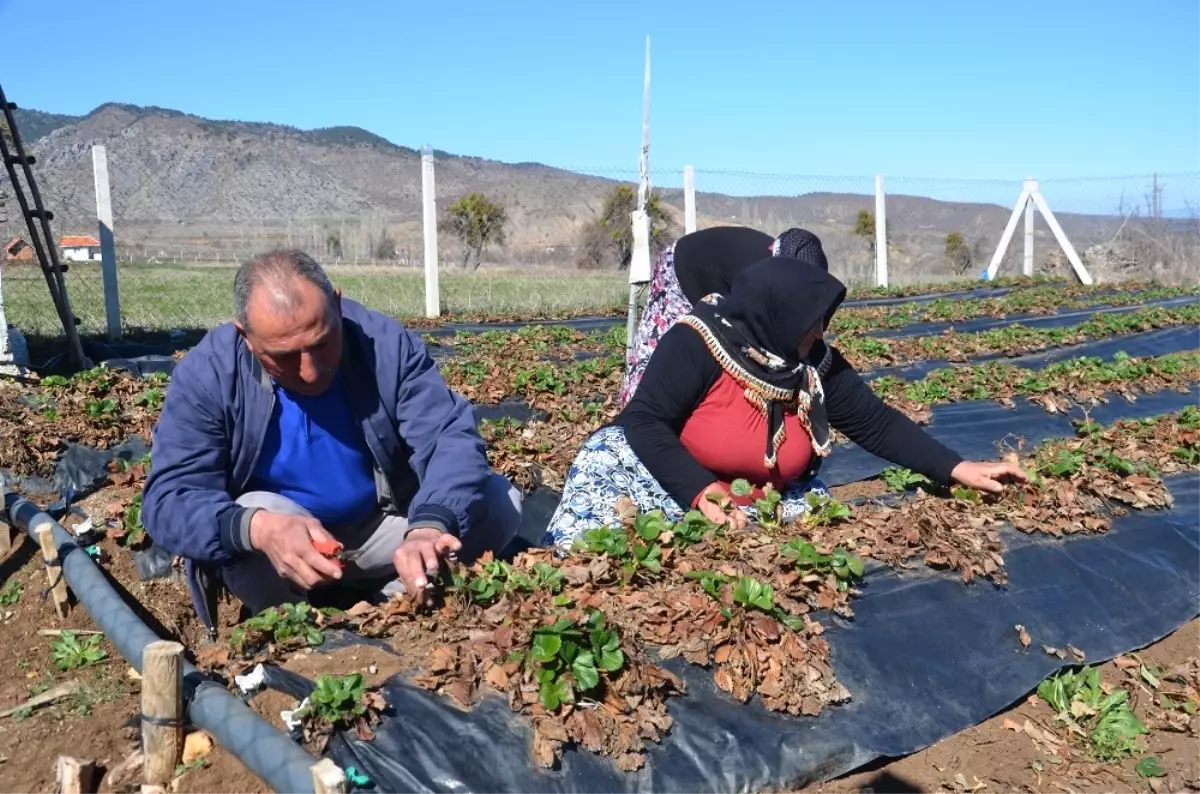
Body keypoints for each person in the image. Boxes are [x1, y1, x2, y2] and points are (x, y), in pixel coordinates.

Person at [142, 250, 522, 626]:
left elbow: (447, 438)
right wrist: (258, 528)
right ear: (246, 337)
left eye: (322, 343)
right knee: (254, 511)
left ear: (336, 304)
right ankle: (297, 626)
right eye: (284, 356)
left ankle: (392, 605)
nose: (309, 371)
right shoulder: (208, 374)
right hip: (283, 546)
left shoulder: (385, 346)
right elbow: (170, 498)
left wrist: (428, 527)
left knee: (499, 501)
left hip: (382, 526)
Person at [545, 252, 1026, 545]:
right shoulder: (696, 342)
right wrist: (701, 491)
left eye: (820, 320)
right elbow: (645, 422)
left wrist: (957, 468)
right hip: (667, 480)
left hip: (760, 498)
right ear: (772, 315)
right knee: (605, 511)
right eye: (808, 320)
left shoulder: (811, 362)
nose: (817, 332)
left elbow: (875, 423)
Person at [618, 225, 827, 406]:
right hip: (682, 268)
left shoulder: (808, 288)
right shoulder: (763, 282)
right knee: (659, 355)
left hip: (722, 272)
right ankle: (633, 416)